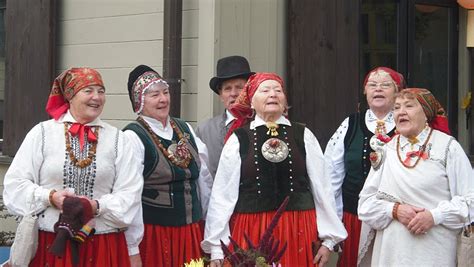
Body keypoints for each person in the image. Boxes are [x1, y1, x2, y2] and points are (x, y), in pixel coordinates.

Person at [201, 72, 347, 267]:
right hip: (251, 231)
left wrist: (329, 241)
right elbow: (222, 195)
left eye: (278, 90)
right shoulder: (239, 139)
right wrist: (217, 247)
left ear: (285, 101)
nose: (273, 94)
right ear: (251, 102)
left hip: (297, 230)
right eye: (265, 90)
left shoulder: (302, 135)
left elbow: (323, 189)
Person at [2, 67, 144, 266]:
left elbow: (130, 193)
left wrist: (95, 206)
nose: (97, 97)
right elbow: (14, 185)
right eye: (88, 90)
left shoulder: (118, 140)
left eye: (101, 91)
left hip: (103, 244)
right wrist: (51, 197)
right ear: (70, 95)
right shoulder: (42, 133)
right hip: (50, 244)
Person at [357, 88, 474, 266]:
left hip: (435, 253)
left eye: (409, 106)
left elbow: (470, 200)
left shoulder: (448, 147)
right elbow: (365, 205)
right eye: (396, 108)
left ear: (426, 113)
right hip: (392, 254)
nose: (401, 112)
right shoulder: (386, 150)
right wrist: (395, 210)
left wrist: (434, 216)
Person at [123, 65, 213, 267]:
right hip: (155, 234)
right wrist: (132, 247)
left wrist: (210, 226)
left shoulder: (184, 128)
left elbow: (204, 179)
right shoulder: (132, 137)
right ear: (139, 101)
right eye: (155, 95)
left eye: (165, 92)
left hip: (192, 231)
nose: (163, 99)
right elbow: (130, 196)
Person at [324, 66, 405, 266]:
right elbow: (330, 174)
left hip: (396, 217)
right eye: (372, 85)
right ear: (365, 91)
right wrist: (333, 222)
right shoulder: (350, 124)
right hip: (355, 218)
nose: (378, 89)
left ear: (397, 92)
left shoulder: (406, 125)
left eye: (386, 85)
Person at [196, 55, 254, 178]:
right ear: (221, 96)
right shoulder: (205, 130)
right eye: (228, 89)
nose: (234, 93)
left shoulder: (262, 125)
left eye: (239, 87)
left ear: (249, 91)